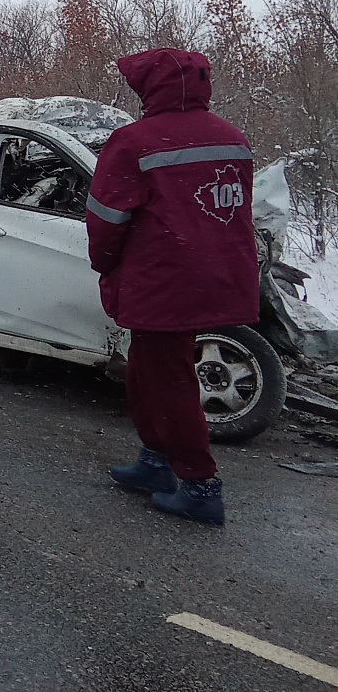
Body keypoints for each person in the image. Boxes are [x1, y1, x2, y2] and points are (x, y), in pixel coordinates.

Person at [89, 48, 258, 527]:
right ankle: (156, 461)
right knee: (147, 369)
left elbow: (106, 218)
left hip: (164, 277)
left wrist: (105, 264)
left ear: (151, 87)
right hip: (218, 273)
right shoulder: (233, 139)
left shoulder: (135, 142)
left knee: (169, 380)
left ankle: (201, 484)